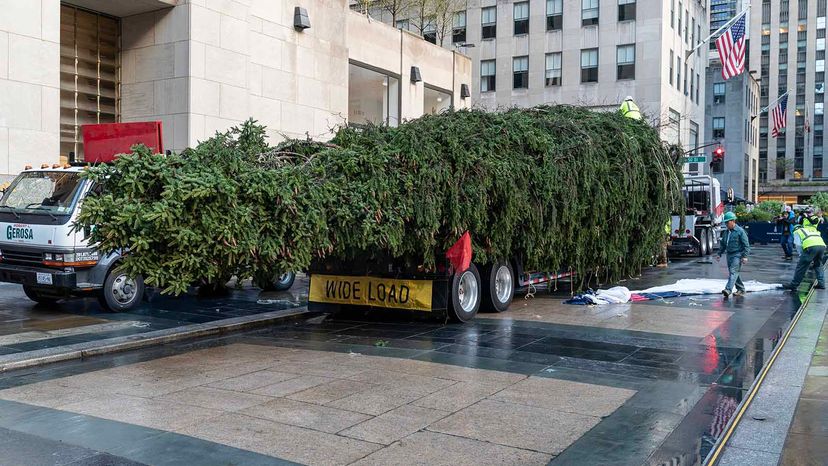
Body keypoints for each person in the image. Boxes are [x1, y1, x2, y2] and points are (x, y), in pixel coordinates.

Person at [783, 210, 826, 291]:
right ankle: (821, 284)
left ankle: (794, 285)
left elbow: (798, 246)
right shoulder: (813, 230)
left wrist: (802, 256)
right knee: (818, 265)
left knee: (801, 266)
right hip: (822, 245)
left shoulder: (797, 231)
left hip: (811, 247)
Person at [716, 211, 751, 298]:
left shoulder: (740, 231)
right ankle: (741, 289)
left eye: (727, 222)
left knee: (733, 272)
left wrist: (745, 256)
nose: (726, 224)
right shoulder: (726, 232)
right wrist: (719, 254)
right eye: (726, 222)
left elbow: (746, 245)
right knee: (734, 273)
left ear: (733, 221)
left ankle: (728, 289)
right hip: (729, 254)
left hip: (737, 254)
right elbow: (723, 244)